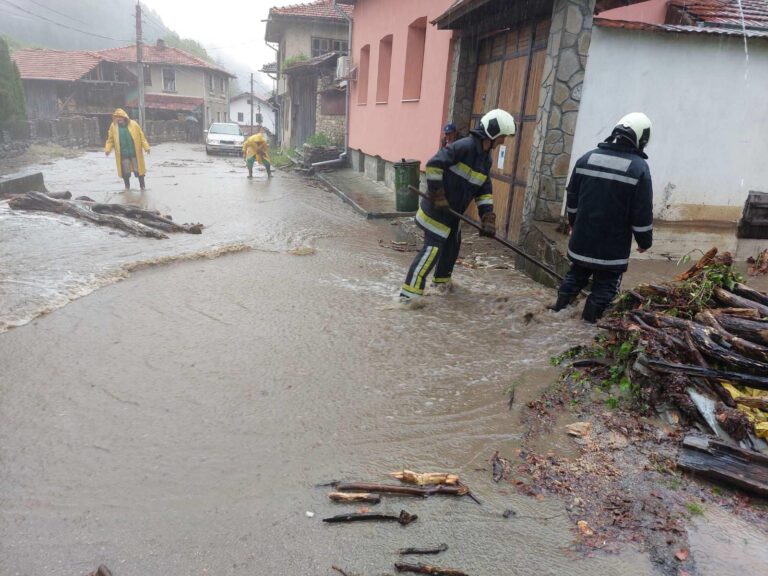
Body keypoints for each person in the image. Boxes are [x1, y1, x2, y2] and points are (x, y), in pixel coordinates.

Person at [400, 109, 516, 302]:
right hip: (436, 212)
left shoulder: (485, 159)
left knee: (451, 250)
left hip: (453, 216)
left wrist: (487, 216)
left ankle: (441, 290)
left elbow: (484, 189)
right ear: (493, 133)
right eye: (503, 136)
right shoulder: (463, 147)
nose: (503, 141)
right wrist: (437, 195)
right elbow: (433, 165)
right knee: (432, 251)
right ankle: (408, 299)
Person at [548, 112, 654, 323]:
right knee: (605, 288)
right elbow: (641, 212)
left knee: (574, 278)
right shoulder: (639, 169)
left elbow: (573, 199)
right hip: (611, 249)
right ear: (641, 139)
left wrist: (573, 222)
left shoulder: (586, 159)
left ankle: (555, 317)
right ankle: (587, 330)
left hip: (581, 241)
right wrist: (644, 241)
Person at [104, 108, 150, 190]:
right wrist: (108, 149)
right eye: (116, 117)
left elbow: (141, 137)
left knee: (139, 170)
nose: (118, 119)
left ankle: (142, 187)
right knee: (125, 172)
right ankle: (127, 188)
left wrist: (146, 147)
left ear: (124, 117)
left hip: (135, 153)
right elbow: (110, 139)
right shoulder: (113, 127)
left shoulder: (134, 124)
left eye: (120, 117)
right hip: (123, 153)